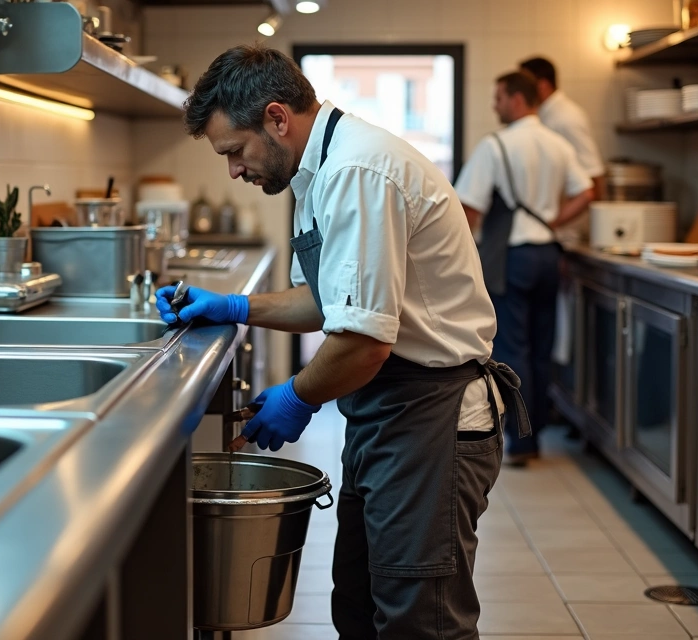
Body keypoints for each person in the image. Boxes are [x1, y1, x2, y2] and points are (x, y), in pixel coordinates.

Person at [155, 45, 531, 640]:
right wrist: (233, 306)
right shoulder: (317, 170)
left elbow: (362, 342)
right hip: (385, 412)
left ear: (276, 118)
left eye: (234, 152)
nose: (233, 170)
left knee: (420, 620)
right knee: (358, 604)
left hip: (429, 415)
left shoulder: (357, 171)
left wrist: (297, 397)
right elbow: (330, 303)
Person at [454, 71, 594, 467]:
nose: (494, 106)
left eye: (498, 98)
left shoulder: (496, 145)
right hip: (549, 255)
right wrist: (552, 221)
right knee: (541, 348)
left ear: (517, 99)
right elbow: (586, 191)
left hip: (511, 258)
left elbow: (469, 209)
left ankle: (520, 443)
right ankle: (538, 435)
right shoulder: (557, 143)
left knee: (512, 347)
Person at [519, 56, 606, 199]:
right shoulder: (544, 114)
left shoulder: (566, 117)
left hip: (572, 208)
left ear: (543, 85)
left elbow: (593, 171)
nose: (521, 92)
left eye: (525, 86)